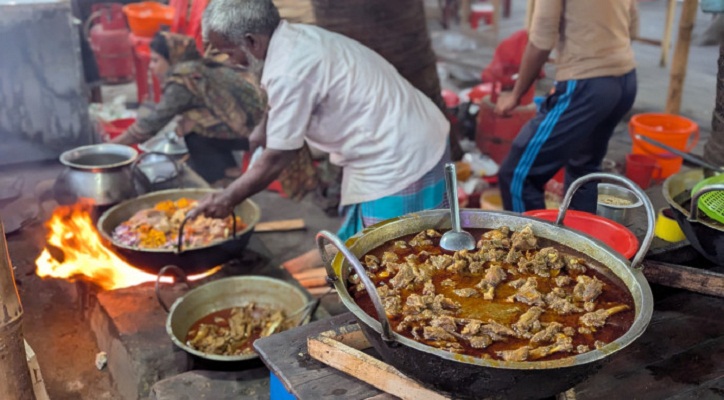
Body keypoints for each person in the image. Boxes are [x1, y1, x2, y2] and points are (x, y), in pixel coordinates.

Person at [195, 0, 450, 269]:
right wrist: (264, 125)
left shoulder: (289, 69)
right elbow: (285, 95)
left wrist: (228, 198)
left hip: (400, 153)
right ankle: (337, 264)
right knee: (374, 239)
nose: (230, 61)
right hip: (407, 132)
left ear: (252, 41)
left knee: (392, 257)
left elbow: (277, 158)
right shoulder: (289, 39)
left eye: (229, 52)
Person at [495, 0, 639, 213]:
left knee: (517, 175)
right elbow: (632, 27)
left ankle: (531, 245)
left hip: (586, 85)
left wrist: (516, 94)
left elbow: (541, 41)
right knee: (584, 169)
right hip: (625, 79)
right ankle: (581, 243)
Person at [111, 31, 267, 183]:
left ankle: (217, 177)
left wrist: (111, 147)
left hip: (257, 134)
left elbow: (150, 125)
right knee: (190, 121)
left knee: (192, 130)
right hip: (260, 124)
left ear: (171, 58)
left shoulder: (184, 80)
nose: (151, 66)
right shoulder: (199, 66)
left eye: (156, 60)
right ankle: (228, 168)